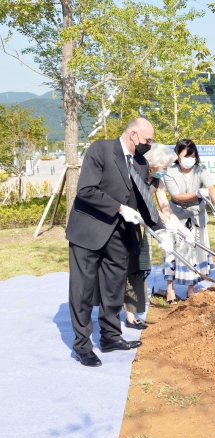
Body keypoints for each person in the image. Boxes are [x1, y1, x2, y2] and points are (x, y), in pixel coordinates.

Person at [65, 118, 172, 367]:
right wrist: (120, 207)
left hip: (119, 234)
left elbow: (145, 201)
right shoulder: (100, 150)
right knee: (82, 290)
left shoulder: (141, 163)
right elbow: (86, 190)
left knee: (114, 288)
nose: (150, 144)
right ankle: (82, 346)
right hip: (88, 232)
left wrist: (161, 231)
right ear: (133, 135)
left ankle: (111, 336)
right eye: (148, 140)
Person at [120, 143, 193, 328]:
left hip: (142, 223)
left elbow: (164, 205)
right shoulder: (138, 176)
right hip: (126, 221)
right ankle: (116, 311)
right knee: (125, 268)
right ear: (152, 164)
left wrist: (182, 229)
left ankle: (131, 316)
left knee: (138, 267)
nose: (165, 171)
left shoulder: (158, 180)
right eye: (164, 167)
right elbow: (145, 207)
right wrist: (163, 224)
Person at [163, 139, 215, 302]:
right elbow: (176, 196)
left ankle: (191, 288)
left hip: (197, 216)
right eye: (186, 155)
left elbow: (211, 188)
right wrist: (197, 193)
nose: (190, 158)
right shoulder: (170, 171)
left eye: (192, 154)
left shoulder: (200, 169)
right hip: (177, 217)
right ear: (178, 155)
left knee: (196, 254)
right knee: (173, 254)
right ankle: (170, 290)